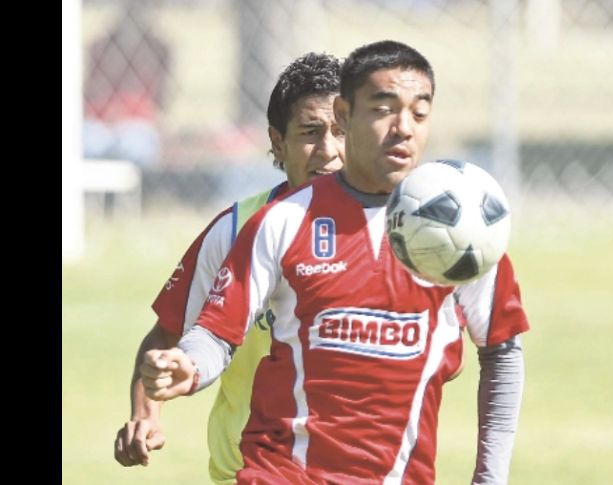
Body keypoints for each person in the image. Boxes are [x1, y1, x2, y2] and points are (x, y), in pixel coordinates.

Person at [141, 40, 528, 484]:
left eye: (418, 113)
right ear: (344, 114)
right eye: (383, 110)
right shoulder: (283, 221)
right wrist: (189, 367)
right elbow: (215, 334)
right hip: (281, 474)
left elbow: (501, 352)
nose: (403, 128)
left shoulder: (468, 227)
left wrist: (490, 477)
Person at [114, 52, 345, 485]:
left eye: (341, 131)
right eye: (310, 133)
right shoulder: (237, 229)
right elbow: (169, 333)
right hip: (252, 469)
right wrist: (146, 416)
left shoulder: (396, 230)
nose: (329, 150)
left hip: (359, 469)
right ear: (278, 142)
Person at [83, 4, 171, 168]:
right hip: (100, 122)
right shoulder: (100, 47)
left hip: (136, 123)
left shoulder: (158, 49)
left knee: (134, 145)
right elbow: (91, 94)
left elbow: (159, 103)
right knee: (89, 141)